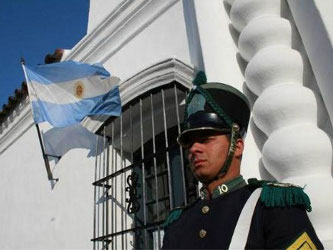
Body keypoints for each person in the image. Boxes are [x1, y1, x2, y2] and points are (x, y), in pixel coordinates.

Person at [162, 72, 323, 249]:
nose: (193, 149)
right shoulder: (177, 225)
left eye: (206, 139)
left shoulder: (273, 207)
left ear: (237, 146)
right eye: (190, 143)